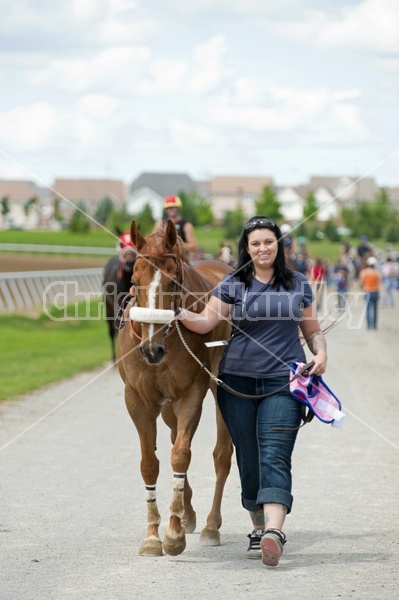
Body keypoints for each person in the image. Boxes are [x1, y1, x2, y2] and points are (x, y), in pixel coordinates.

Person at [178, 215, 327, 567]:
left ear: (279, 245)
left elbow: (311, 330)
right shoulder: (232, 284)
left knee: (275, 454)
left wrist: (321, 352)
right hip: (237, 384)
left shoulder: (299, 284)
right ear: (247, 247)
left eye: (269, 242)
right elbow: (205, 322)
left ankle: (274, 532)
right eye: (255, 243)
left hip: (284, 381)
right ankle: (258, 529)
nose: (262, 248)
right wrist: (175, 312)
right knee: (247, 456)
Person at [358, 256, 382, 329]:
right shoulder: (377, 273)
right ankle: (374, 324)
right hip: (375, 291)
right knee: (375, 309)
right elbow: (380, 283)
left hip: (367, 291)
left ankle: (369, 325)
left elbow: (361, 283)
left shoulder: (364, 272)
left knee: (368, 309)